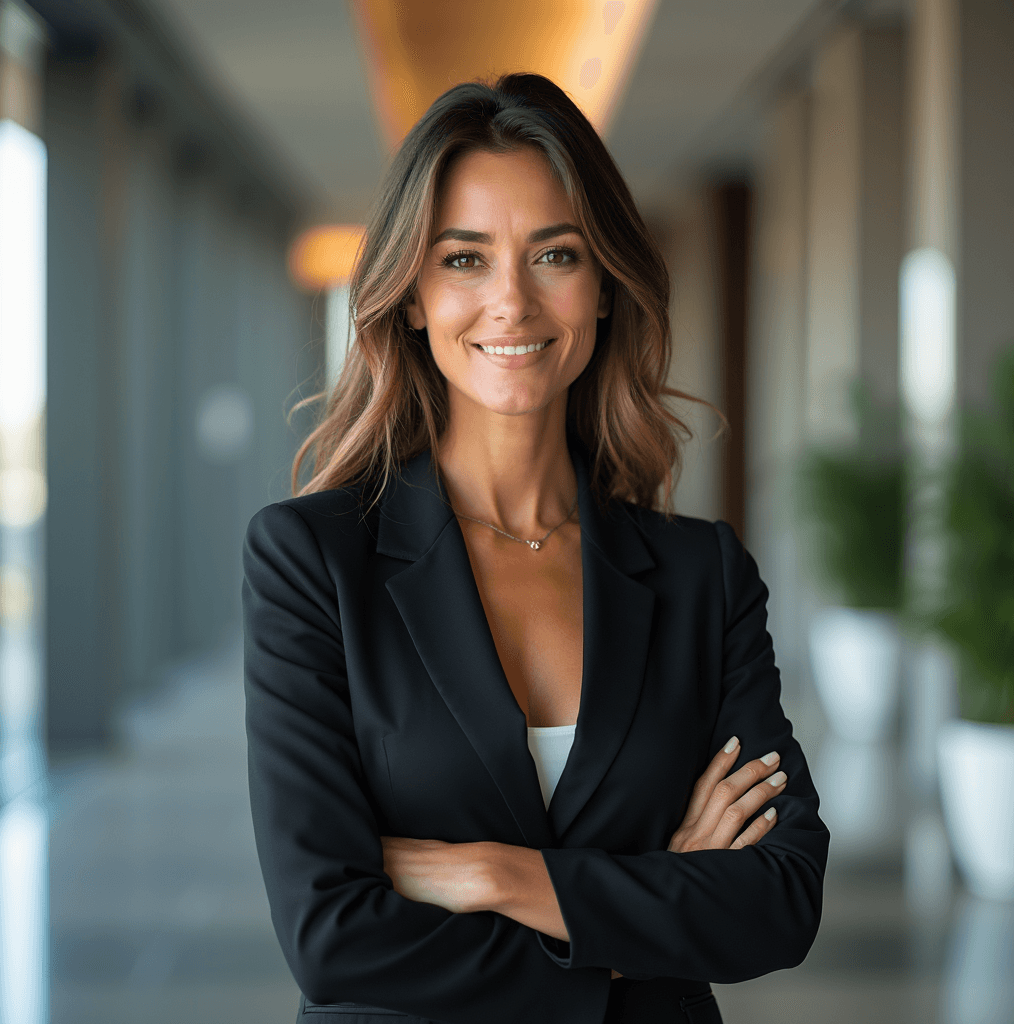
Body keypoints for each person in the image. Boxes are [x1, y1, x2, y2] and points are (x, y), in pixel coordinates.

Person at [242, 73, 829, 1024]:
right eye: (464, 260)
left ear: (603, 289)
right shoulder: (313, 561)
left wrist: (494, 875)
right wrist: (641, 916)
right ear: (413, 297)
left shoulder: (700, 574)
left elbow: (781, 900)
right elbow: (330, 934)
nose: (510, 302)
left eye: (554, 253)